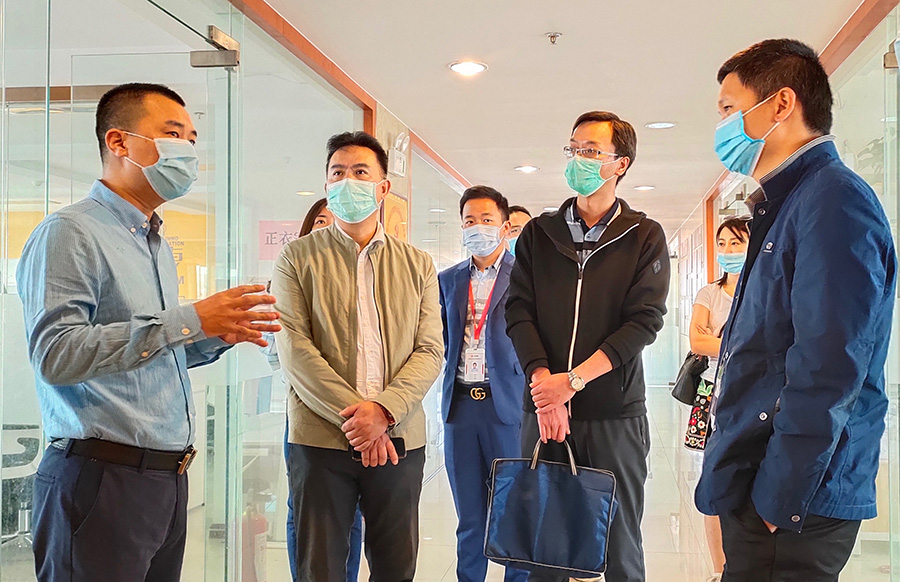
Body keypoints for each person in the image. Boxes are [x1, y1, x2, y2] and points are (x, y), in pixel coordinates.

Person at [17, 83, 281, 582]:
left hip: (164, 480)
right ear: (119, 142)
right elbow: (56, 355)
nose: (189, 150)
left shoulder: (153, 241)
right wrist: (191, 319)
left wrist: (214, 335)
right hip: (101, 476)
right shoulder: (70, 232)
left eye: (193, 139)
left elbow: (147, 353)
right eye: (173, 134)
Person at [695, 39, 897, 582]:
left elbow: (829, 365)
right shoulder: (789, 202)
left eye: (729, 109)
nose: (722, 127)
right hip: (765, 478)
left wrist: (779, 499)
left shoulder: (834, 200)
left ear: (781, 104)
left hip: (793, 498)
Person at [505, 111, 670, 582]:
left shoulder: (644, 236)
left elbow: (643, 322)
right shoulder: (539, 233)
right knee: (543, 547)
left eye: (591, 151)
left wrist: (573, 382)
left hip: (613, 414)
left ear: (621, 163)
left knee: (619, 544)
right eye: (574, 148)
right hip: (543, 413)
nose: (578, 158)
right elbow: (518, 311)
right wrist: (546, 388)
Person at [272, 131, 443, 581]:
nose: (347, 181)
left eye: (360, 172)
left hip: (399, 439)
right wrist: (359, 419)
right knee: (321, 568)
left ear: (383, 187)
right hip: (320, 440)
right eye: (337, 173)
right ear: (326, 185)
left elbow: (430, 350)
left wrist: (383, 412)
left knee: (395, 566)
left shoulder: (417, 263)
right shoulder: (296, 257)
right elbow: (293, 347)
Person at [263, 199, 364, 582]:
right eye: (320, 220)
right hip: (307, 413)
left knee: (353, 511)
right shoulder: (289, 275)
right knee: (305, 509)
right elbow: (279, 353)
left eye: (335, 220)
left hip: (359, 416)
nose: (328, 227)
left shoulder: (362, 279)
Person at [438, 186, 527, 582]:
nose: (478, 228)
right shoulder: (448, 280)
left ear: (504, 227)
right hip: (460, 409)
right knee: (469, 518)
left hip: (506, 406)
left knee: (512, 512)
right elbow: (440, 340)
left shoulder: (526, 278)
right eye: (470, 221)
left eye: (487, 220)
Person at [685, 216, 750, 582]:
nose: (728, 250)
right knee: (714, 479)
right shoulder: (709, 293)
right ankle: (718, 568)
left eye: (736, 243)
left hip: (751, 395)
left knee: (747, 479)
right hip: (712, 394)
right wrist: (742, 344)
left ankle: (744, 564)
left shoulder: (761, 290)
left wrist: (719, 341)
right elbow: (697, 342)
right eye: (722, 243)